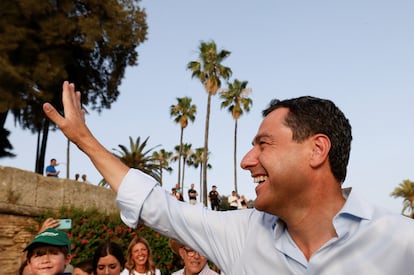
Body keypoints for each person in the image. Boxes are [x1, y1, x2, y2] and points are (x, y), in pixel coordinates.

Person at [44, 81, 414, 274]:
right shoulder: (241, 235)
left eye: (263, 144)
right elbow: (155, 206)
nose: (245, 160)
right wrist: (84, 140)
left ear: (317, 150)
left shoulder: (402, 243)